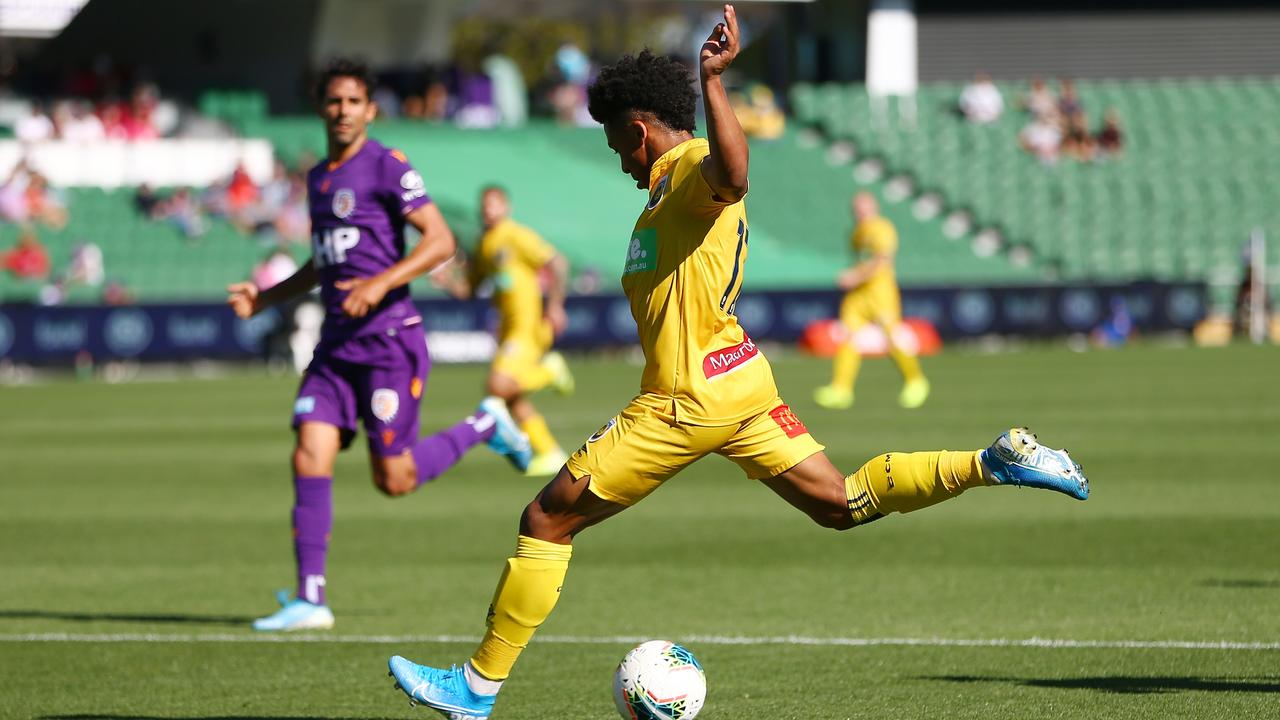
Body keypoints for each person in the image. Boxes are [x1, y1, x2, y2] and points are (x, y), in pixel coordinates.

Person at [385, 7, 1089, 718]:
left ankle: (476, 688)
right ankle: (995, 461)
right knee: (840, 504)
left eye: (617, 148)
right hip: (739, 382)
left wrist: (713, 83)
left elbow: (733, 172)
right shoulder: (665, 192)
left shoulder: (687, 170)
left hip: (685, 397)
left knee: (546, 520)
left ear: (638, 130)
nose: (621, 163)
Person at [226, 58, 532, 633]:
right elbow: (323, 262)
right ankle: (310, 597)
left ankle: (485, 424)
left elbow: (440, 240)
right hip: (336, 347)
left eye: (353, 101)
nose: (342, 110)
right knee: (307, 454)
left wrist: (382, 281)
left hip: (389, 343)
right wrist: (264, 299)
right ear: (322, 108)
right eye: (333, 101)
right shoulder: (318, 178)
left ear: (370, 109)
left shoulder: (386, 166)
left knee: (394, 480)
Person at [437, 185, 575, 477]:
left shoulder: (515, 234)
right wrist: (446, 281)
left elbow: (558, 263)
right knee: (510, 397)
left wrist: (555, 306)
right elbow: (470, 291)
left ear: (506, 207)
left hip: (527, 328)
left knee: (496, 387)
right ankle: (550, 452)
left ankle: (551, 372)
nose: (489, 209)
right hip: (509, 330)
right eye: (485, 205)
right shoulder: (485, 244)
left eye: (495, 204)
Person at [814, 192, 930, 410]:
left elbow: (882, 261)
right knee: (847, 336)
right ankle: (841, 389)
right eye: (856, 210)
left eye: (863, 209)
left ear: (874, 208)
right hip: (859, 295)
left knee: (891, 338)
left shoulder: (882, 228)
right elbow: (862, 260)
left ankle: (916, 380)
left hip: (880, 292)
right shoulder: (856, 233)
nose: (859, 214)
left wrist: (854, 276)